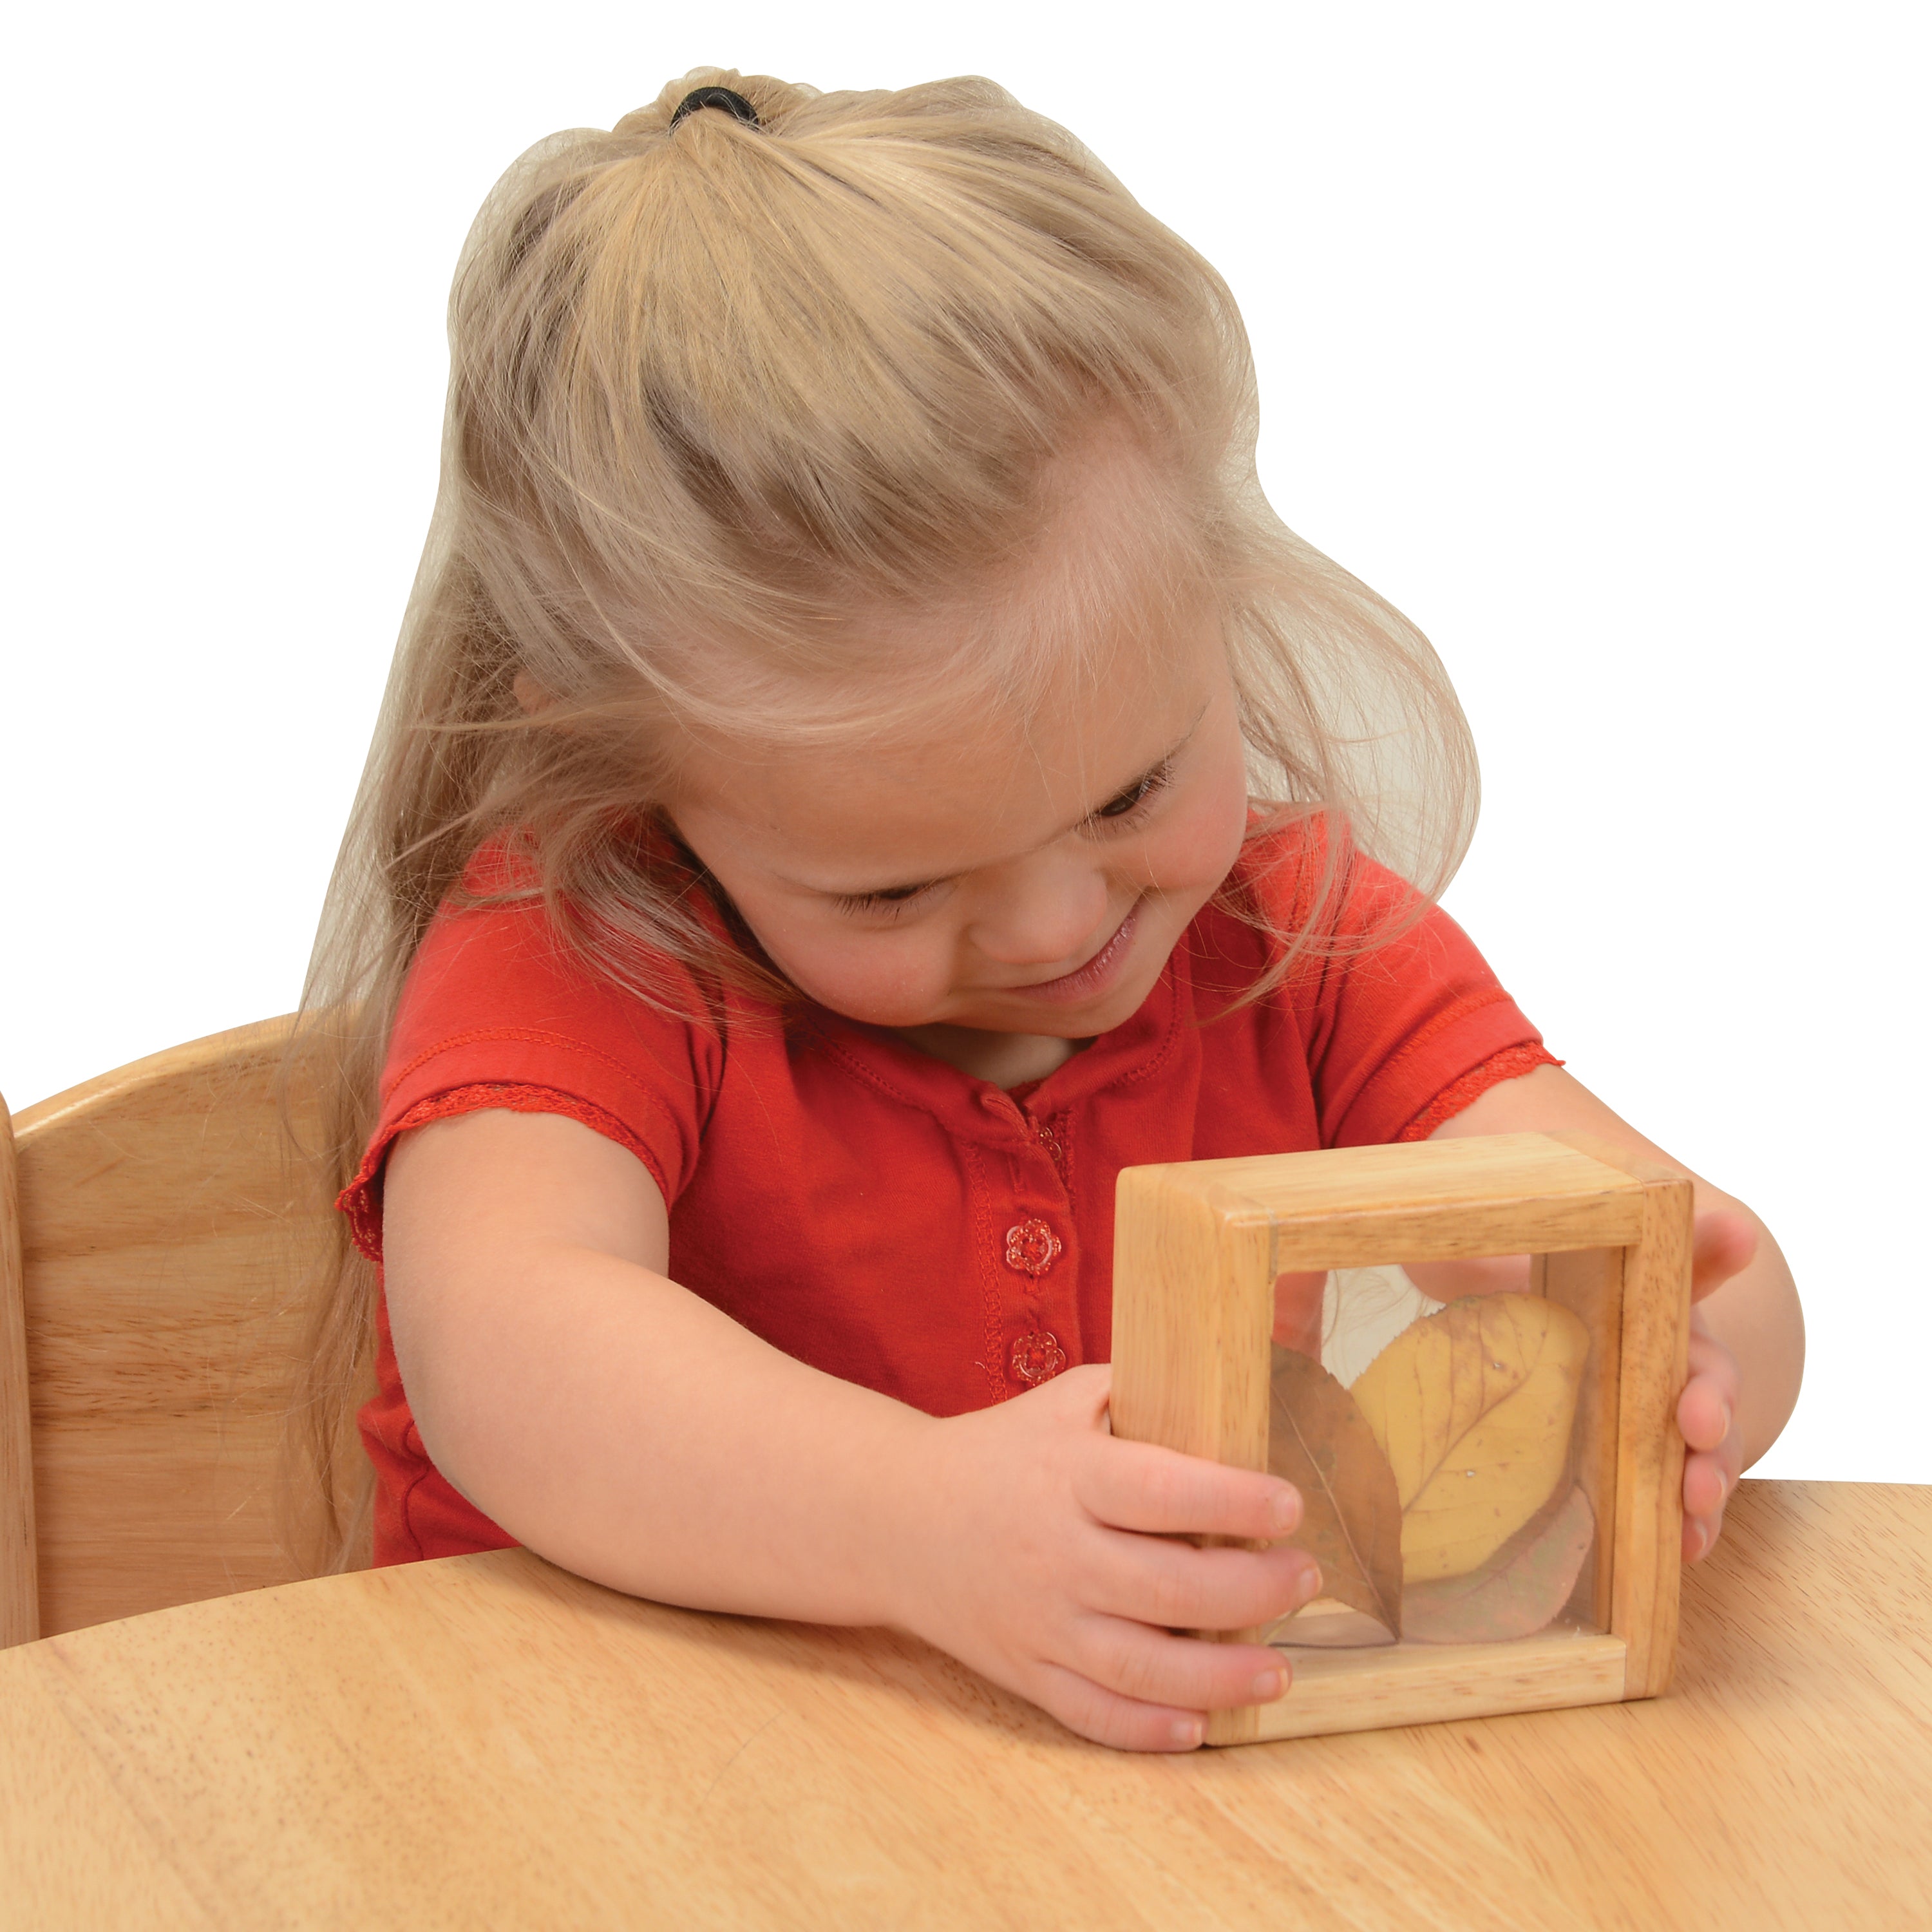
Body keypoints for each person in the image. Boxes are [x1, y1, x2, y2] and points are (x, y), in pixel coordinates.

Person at [292, 69, 1804, 1753]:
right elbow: (512, 1353)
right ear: (637, 779)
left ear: (1216, 610)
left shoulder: (1296, 947)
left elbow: (1689, 1260)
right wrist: (914, 1519)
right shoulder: (586, 953)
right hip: (585, 1811)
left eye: (1131, 792)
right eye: (893, 884)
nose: (1051, 924)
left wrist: (1670, 1376)